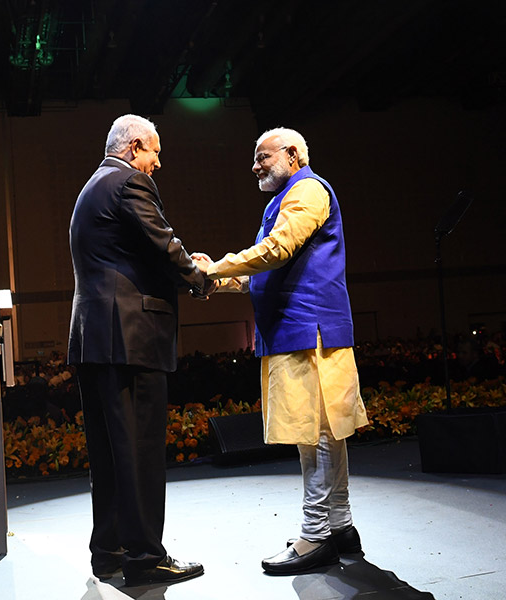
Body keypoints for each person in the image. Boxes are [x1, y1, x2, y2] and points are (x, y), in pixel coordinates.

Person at [193, 127, 369, 574]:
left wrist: (218, 266)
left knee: (319, 435)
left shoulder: (307, 190)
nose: (255, 166)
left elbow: (277, 249)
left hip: (311, 332)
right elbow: (267, 272)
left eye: (263, 157)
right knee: (323, 433)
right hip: (299, 331)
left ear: (292, 154)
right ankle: (341, 527)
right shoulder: (287, 198)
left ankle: (315, 536)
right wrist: (219, 277)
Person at [68, 114, 210, 586]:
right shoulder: (129, 182)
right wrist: (199, 277)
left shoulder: (93, 186)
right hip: (130, 337)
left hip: (95, 339)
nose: (157, 163)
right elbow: (163, 245)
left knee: (110, 454)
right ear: (132, 148)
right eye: (154, 152)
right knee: (141, 451)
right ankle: (146, 559)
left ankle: (108, 554)